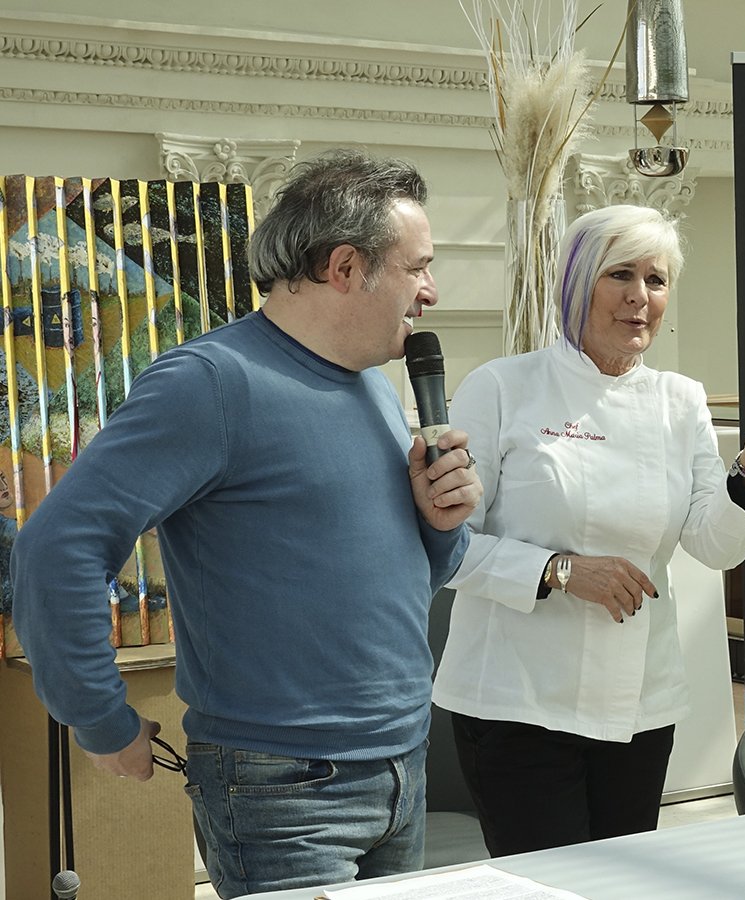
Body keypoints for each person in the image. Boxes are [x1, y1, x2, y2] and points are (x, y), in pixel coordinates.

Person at [10, 149, 483, 897]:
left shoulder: (375, 391)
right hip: (284, 790)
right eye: (417, 267)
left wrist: (442, 522)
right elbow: (54, 550)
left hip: (402, 766)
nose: (431, 290)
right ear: (345, 267)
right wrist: (101, 720)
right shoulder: (209, 384)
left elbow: (412, 578)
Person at [431, 204, 745, 856]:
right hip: (517, 701)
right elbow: (446, 547)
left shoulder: (679, 400)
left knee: (623, 880)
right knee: (549, 888)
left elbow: (713, 543)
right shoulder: (502, 388)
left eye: (656, 279)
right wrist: (558, 571)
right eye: (620, 274)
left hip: (639, 704)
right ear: (576, 284)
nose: (639, 296)